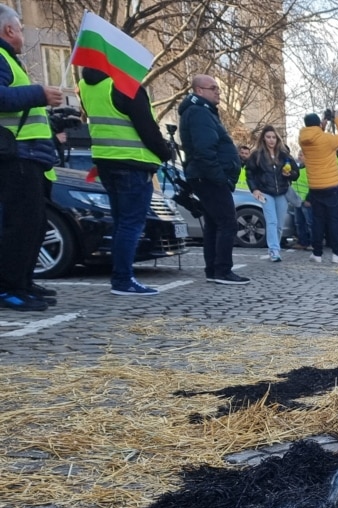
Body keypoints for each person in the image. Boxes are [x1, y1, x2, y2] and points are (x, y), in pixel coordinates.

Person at [78, 66, 173, 296]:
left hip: (106, 162)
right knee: (131, 224)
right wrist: (165, 152)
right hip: (133, 163)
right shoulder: (124, 85)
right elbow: (147, 128)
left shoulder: (86, 86)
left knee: (122, 223)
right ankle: (122, 278)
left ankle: (121, 277)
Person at [0, 5, 63, 311]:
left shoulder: (10, 60)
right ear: (9, 30)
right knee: (19, 225)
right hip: (16, 156)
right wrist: (40, 93)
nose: (23, 34)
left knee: (34, 225)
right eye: (21, 28)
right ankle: (8, 288)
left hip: (30, 156)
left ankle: (22, 283)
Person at [179, 75, 250, 284]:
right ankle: (222, 270)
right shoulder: (200, 113)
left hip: (205, 176)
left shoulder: (201, 112)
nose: (218, 92)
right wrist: (220, 177)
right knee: (228, 223)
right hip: (208, 177)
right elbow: (205, 149)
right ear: (199, 90)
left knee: (214, 224)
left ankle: (214, 269)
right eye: (213, 88)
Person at [299, 110, 338, 263]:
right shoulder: (327, 139)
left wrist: (322, 123)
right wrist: (337, 119)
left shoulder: (303, 139)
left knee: (317, 221)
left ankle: (317, 253)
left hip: (314, 186)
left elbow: (314, 133)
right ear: (318, 125)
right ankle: (337, 254)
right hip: (331, 186)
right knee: (334, 221)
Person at [244, 125, 297, 262]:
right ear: (263, 138)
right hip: (265, 192)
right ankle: (274, 250)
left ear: (277, 139)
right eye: (268, 137)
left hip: (282, 192)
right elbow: (249, 173)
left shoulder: (284, 154)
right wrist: (254, 189)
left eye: (274, 137)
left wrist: (289, 174)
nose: (271, 140)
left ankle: (275, 247)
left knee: (279, 224)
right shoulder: (257, 155)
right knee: (271, 221)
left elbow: (295, 173)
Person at [292, 148, 312, 250]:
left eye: (301, 155)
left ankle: (313, 243)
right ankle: (302, 242)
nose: (299, 157)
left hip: (307, 201)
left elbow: (313, 186)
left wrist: (310, 199)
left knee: (310, 223)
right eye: (299, 154)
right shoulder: (298, 169)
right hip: (297, 201)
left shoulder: (311, 170)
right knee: (299, 223)